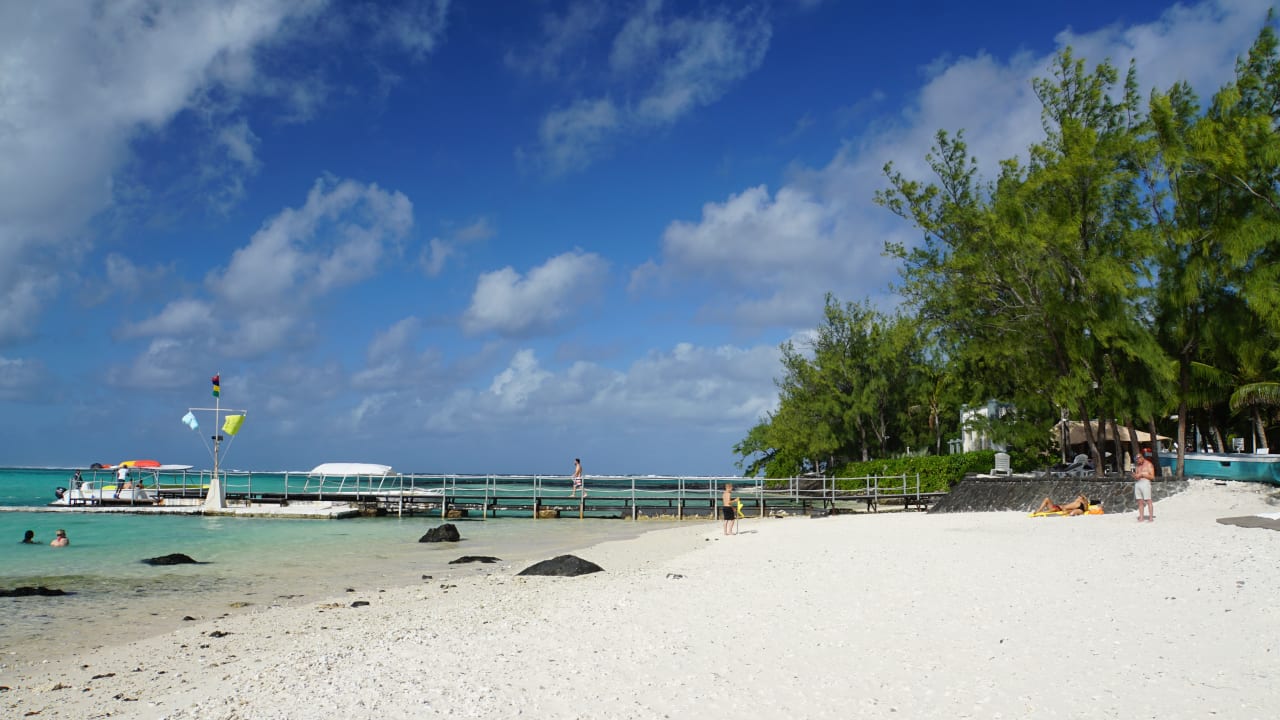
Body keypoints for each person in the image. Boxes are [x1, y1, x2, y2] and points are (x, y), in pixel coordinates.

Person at [1133, 451, 1156, 522]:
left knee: (1148, 500)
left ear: (1142, 458)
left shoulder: (1149, 464)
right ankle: (1141, 517)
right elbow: (1137, 476)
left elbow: (1152, 477)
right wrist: (1135, 476)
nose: (1137, 462)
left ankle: (1151, 518)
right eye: (1136, 460)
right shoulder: (1137, 466)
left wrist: (1143, 475)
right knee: (1140, 501)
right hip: (1138, 483)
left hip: (1146, 483)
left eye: (1138, 460)